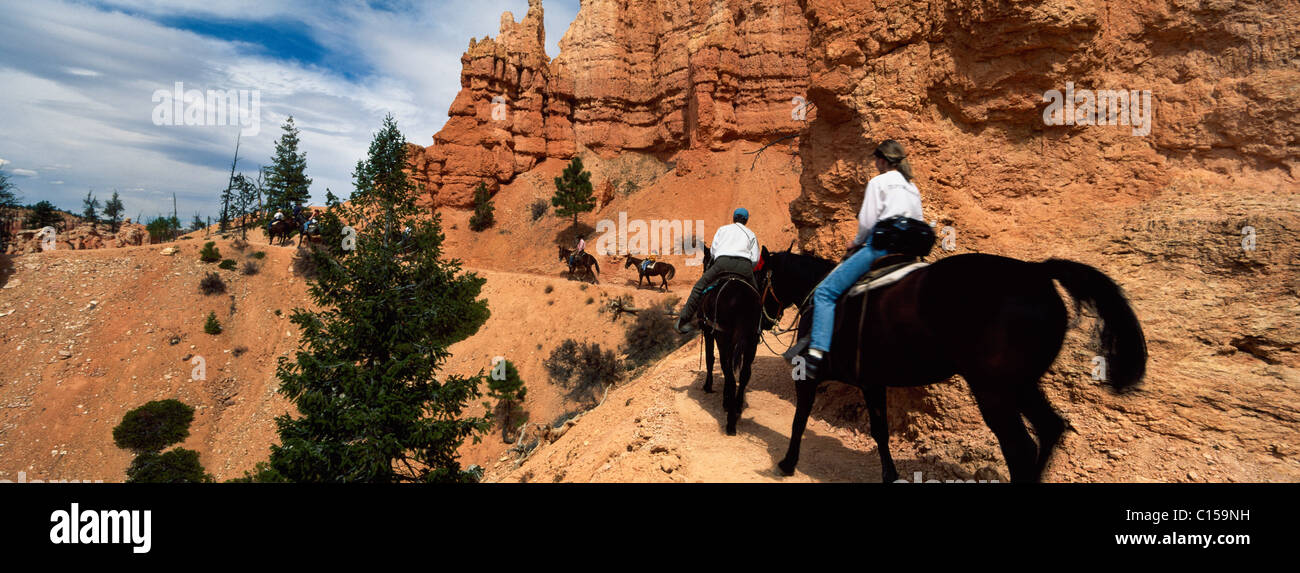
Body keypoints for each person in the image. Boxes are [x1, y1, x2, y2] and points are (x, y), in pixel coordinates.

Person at [793, 139, 924, 380]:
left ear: (882, 160)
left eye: (876, 160)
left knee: (825, 293)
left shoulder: (879, 182)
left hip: (882, 247)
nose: (875, 164)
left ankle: (816, 353)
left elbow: (867, 222)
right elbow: (918, 219)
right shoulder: (911, 187)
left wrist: (856, 241)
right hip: (910, 252)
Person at [675, 207, 760, 333]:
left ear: (733, 218)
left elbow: (713, 252)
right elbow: (755, 258)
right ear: (746, 220)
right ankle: (757, 327)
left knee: (699, 287)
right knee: (756, 294)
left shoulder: (722, 229)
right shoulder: (751, 234)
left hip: (722, 264)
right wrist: (746, 268)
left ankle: (683, 321)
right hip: (744, 266)